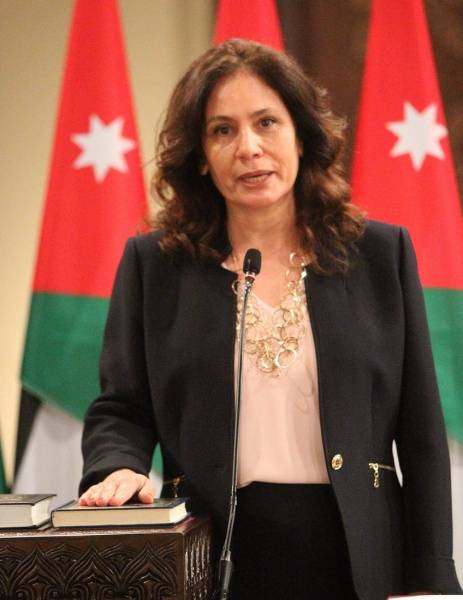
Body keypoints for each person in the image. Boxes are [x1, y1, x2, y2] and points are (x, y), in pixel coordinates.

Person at [78, 39, 462, 599]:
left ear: (301, 135)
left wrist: (432, 582)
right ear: (201, 156)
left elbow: (422, 433)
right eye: (223, 130)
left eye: (266, 122)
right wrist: (118, 465)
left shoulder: (380, 256)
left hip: (360, 560)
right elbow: (122, 407)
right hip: (211, 558)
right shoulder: (155, 266)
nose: (249, 148)